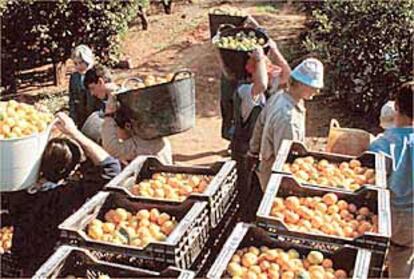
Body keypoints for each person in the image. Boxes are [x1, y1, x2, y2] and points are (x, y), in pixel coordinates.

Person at [10, 112, 121, 276]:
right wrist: (74, 132)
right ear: (69, 171)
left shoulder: (18, 191)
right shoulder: (67, 195)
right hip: (57, 265)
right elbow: (111, 168)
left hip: (27, 263)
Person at [248, 57, 324, 190]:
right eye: (313, 87)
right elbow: (285, 160)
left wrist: (253, 152)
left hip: (266, 167)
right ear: (300, 84)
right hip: (278, 180)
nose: (317, 92)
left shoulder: (280, 96)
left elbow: (259, 124)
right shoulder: (287, 118)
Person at [368, 82, 414, 278]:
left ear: (396, 106)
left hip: (388, 216)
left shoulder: (381, 145)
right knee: (404, 258)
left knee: (372, 254)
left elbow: (368, 185)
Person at [83, 65, 173, 164]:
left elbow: (112, 148)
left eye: (92, 88)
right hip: (158, 147)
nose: (92, 93)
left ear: (100, 82)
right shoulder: (124, 95)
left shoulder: (118, 101)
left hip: (148, 152)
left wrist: (109, 114)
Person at [69, 45, 102, 128]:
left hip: (96, 117)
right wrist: (73, 118)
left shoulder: (97, 74)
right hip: (81, 117)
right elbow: (72, 98)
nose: (78, 66)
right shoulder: (74, 77)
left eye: (81, 63)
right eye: (76, 63)